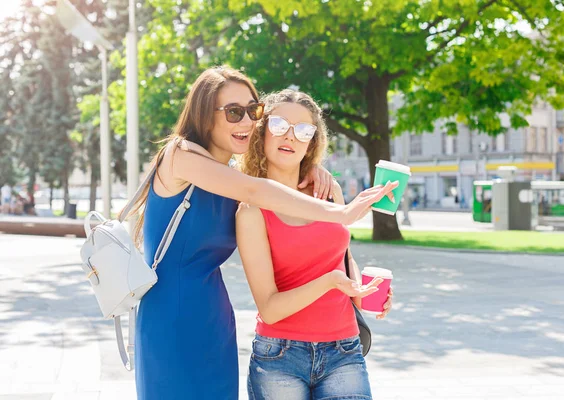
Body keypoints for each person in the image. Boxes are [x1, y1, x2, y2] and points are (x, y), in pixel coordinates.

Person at [124, 67, 398, 400]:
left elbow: (266, 180)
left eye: (252, 111)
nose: (245, 122)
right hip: (168, 315)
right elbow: (256, 190)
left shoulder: (227, 176)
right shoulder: (180, 156)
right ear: (203, 114)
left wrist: (309, 163)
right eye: (233, 112)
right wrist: (341, 212)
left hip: (214, 316)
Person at [236, 89, 394, 400]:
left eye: (303, 130)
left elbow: (342, 260)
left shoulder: (328, 189)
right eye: (279, 125)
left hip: (344, 349)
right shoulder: (250, 211)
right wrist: (331, 283)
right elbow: (269, 309)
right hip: (280, 356)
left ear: (313, 140)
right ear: (262, 130)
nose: (291, 137)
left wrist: (364, 291)